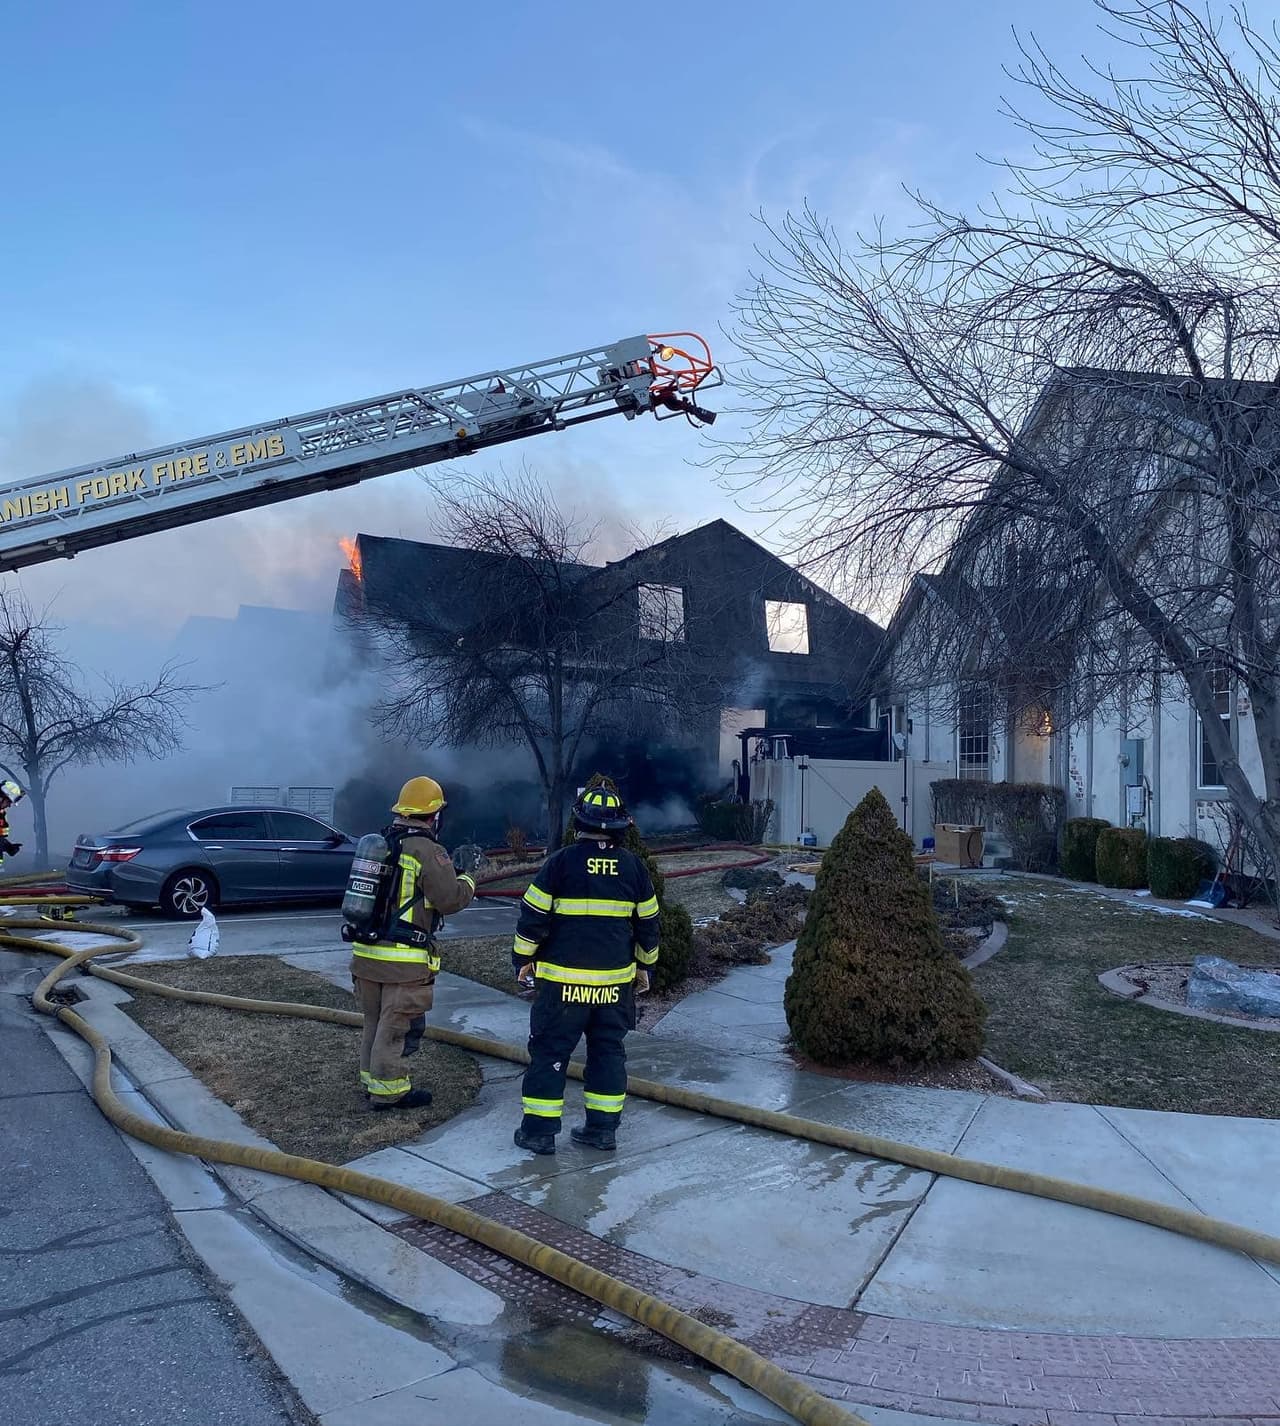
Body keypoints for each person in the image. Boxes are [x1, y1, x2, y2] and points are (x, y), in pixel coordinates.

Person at [512, 785, 660, 1155]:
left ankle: (539, 1134)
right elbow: (649, 924)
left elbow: (532, 919)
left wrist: (522, 960)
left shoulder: (561, 863)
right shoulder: (633, 866)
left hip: (563, 988)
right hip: (613, 988)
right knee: (608, 1053)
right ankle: (602, 1131)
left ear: (579, 821)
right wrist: (645, 967)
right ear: (620, 827)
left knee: (550, 1054)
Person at [350, 776, 477, 1110]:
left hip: (365, 953)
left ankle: (370, 1082)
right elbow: (449, 900)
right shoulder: (428, 850)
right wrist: (468, 877)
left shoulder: (381, 843)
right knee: (395, 1029)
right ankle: (388, 1093)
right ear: (434, 815)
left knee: (374, 1023)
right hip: (402, 960)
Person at [0, 780, 25, 873]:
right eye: (9, 802)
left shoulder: (1, 813)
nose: (9, 805)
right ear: (2, 797)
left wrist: (8, 846)